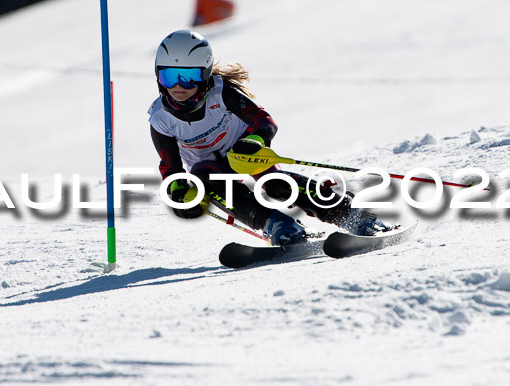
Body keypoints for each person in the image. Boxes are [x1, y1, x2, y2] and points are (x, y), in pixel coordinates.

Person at [148, 30, 392, 245]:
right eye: (169, 76)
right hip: (210, 168)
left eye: (188, 77)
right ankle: (278, 225)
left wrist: (256, 140)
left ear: (205, 75)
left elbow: (265, 122)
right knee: (204, 176)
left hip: (243, 152)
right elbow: (170, 168)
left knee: (274, 183)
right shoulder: (160, 118)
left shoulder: (221, 94)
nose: (178, 86)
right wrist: (180, 195)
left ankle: (348, 213)